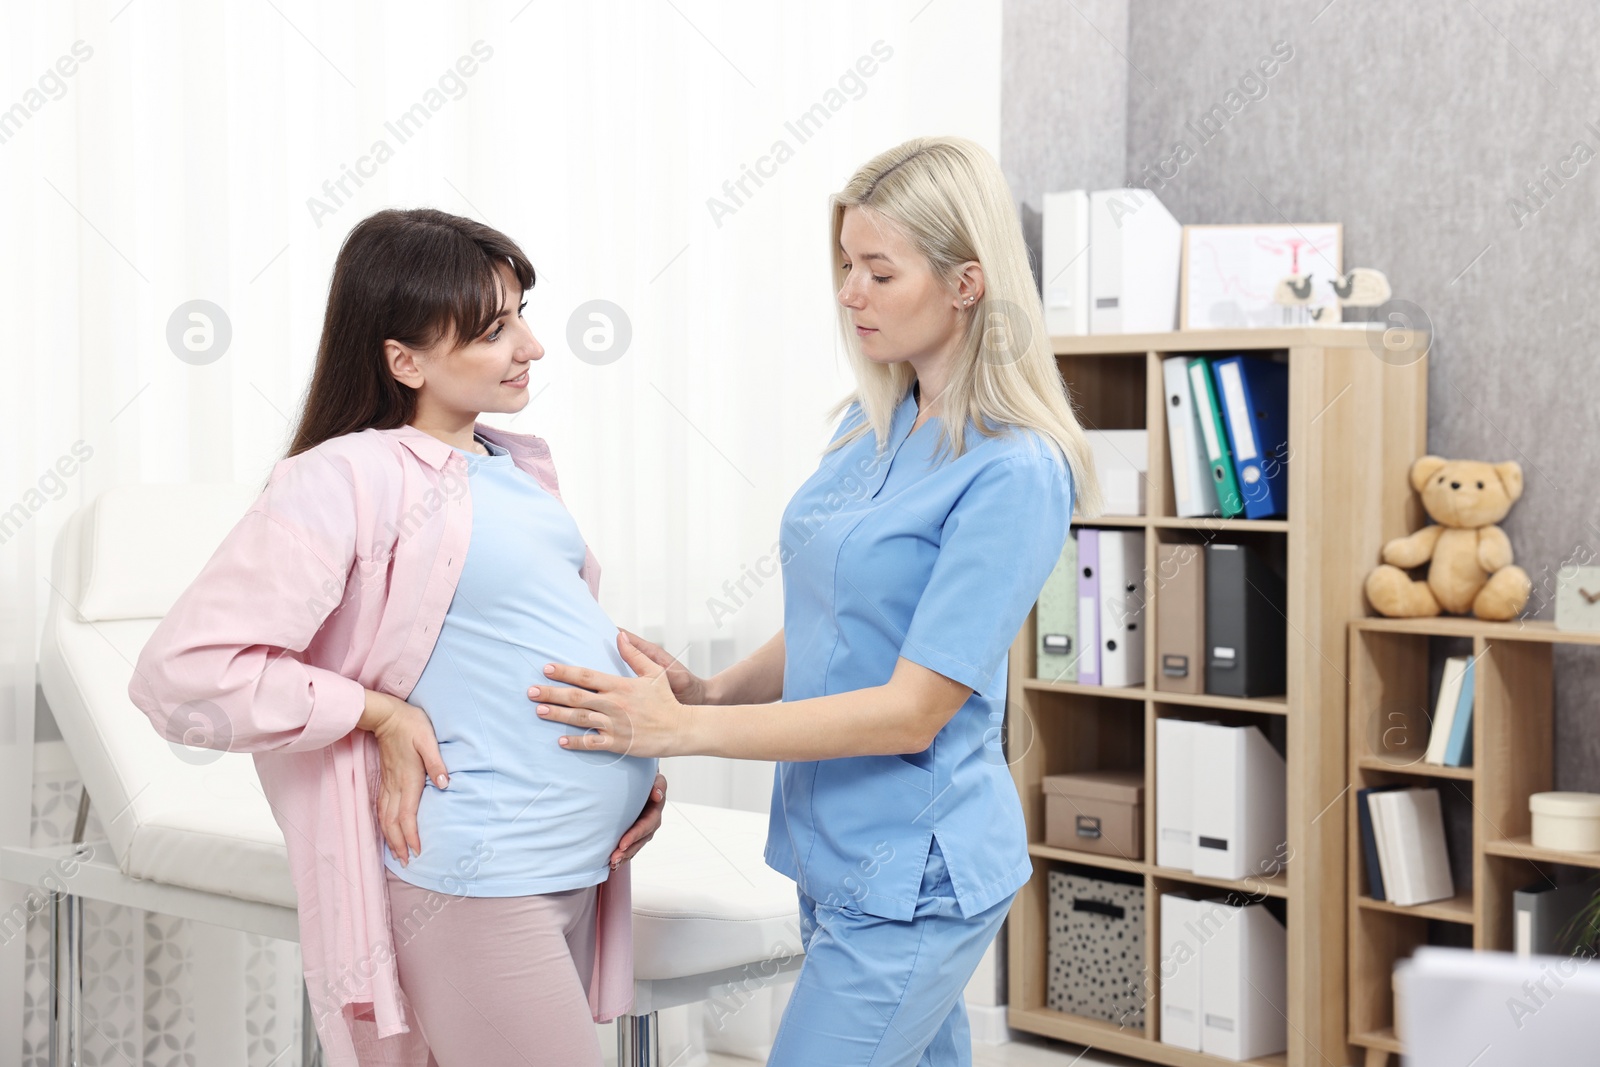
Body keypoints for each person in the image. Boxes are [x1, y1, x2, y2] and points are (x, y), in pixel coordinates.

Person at [532, 136, 1106, 1066]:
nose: (850, 293)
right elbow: (838, 616)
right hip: (831, 848)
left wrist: (676, 732)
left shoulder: (1015, 469)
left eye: (880, 271)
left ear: (967, 282)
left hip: (917, 871)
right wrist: (713, 692)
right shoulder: (869, 421)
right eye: (846, 265)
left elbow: (913, 710)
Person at [128, 208, 667, 1067]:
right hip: (476, 874)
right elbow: (183, 676)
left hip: (576, 862)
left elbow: (515, 648)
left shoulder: (516, 466)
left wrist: (635, 747)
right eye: (495, 329)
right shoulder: (344, 477)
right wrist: (375, 711)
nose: (531, 345)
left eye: (522, 312)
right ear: (403, 358)